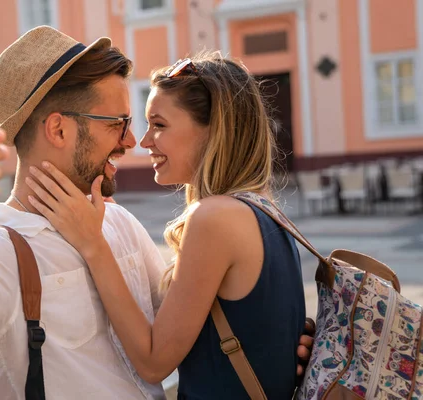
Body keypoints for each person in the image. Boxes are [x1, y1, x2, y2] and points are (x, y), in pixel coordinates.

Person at [0, 27, 312, 399]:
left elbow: (191, 325)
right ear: (59, 128)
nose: (131, 142)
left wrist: (271, 338)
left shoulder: (116, 221)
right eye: (116, 124)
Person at [25, 51, 308, 398]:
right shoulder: (265, 213)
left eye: (159, 125)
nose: (143, 142)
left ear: (214, 130)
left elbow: (154, 361)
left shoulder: (214, 218)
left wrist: (92, 243)